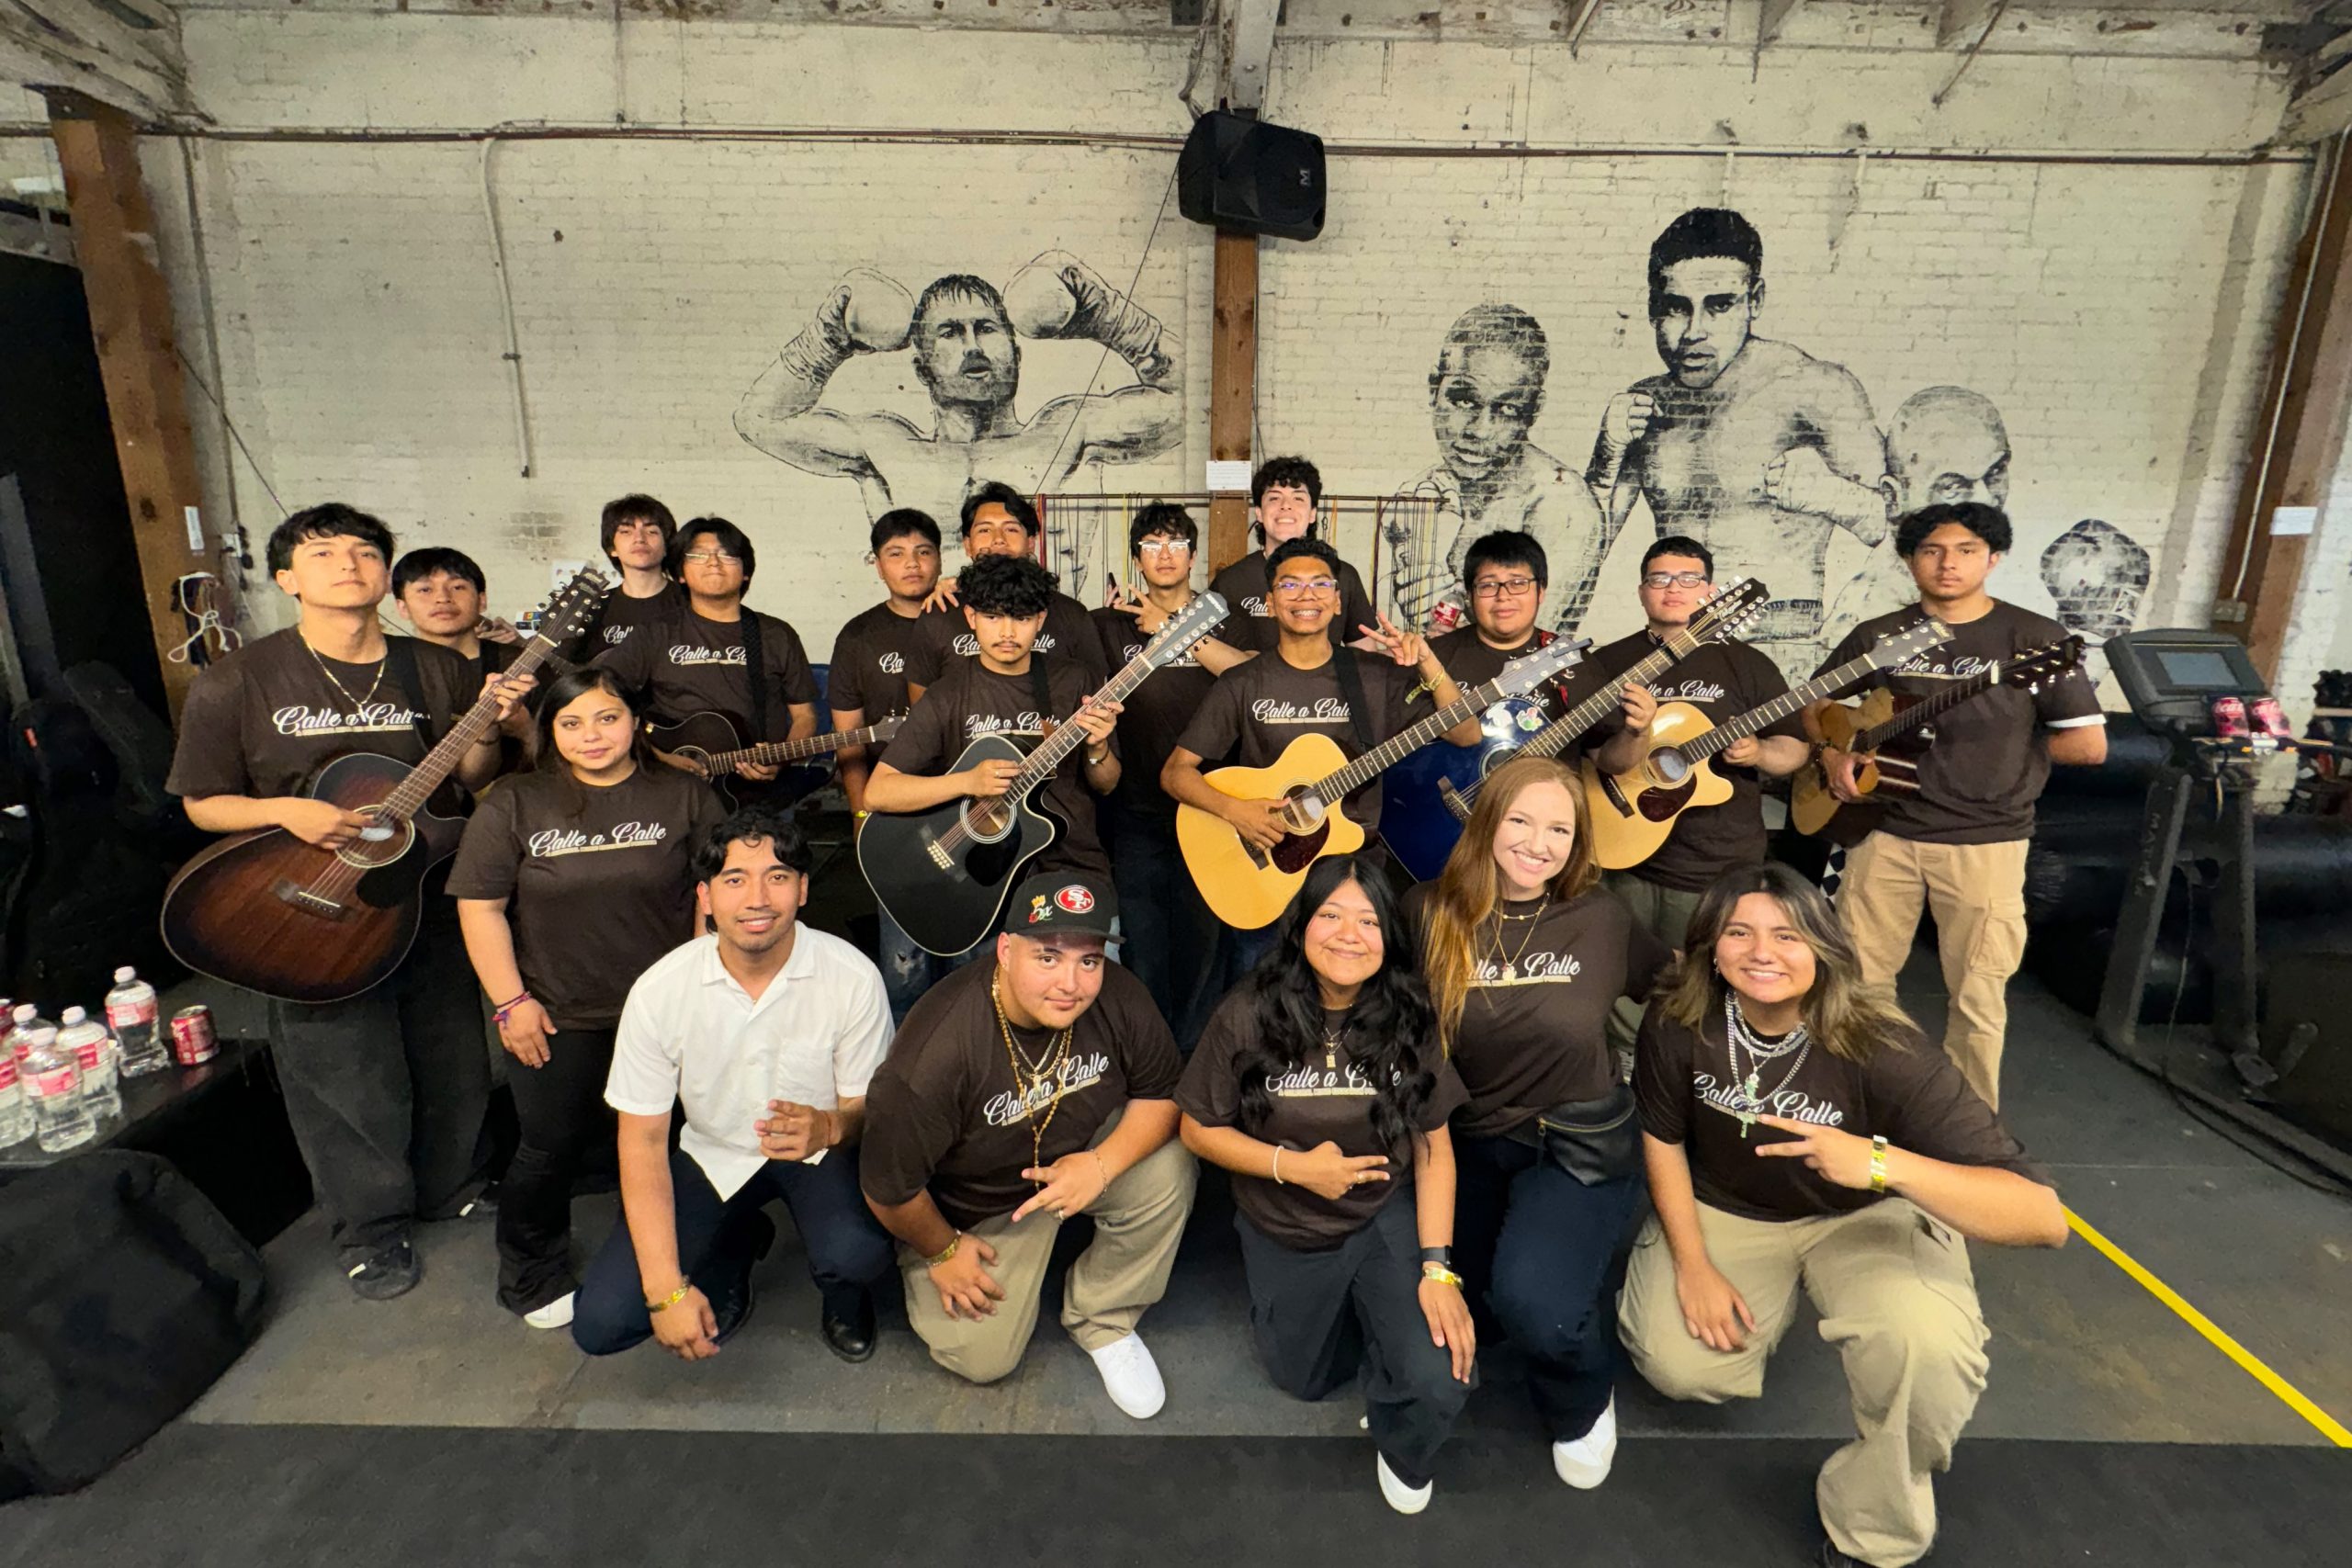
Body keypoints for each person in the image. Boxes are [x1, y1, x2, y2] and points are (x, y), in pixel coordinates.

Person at [1622, 863, 2067, 1568]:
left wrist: (1884, 1163)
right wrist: (1694, 1263)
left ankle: (1874, 1526)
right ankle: (1776, 1307)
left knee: (1924, 1352)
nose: (1762, 951)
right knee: (1682, 1365)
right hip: (1733, 1210)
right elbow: (1663, 1137)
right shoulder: (1679, 1018)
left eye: (1788, 934)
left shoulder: (1883, 1045)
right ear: (1711, 945)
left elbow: (2043, 1215)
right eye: (1739, 931)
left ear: (1825, 946)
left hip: (1864, 1215)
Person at [166, 503, 531, 1299]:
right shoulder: (240, 678)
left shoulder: (431, 666)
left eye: (365, 551)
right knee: (343, 1069)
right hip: (308, 905)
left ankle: (453, 1184)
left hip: (421, 884)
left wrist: (489, 726)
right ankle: (370, 1227)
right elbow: (201, 802)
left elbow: (470, 780)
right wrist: (283, 811)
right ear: (289, 578)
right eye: (323, 552)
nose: (349, 563)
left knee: (449, 1046)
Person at [1179, 856, 1474, 1514]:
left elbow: (1434, 1146)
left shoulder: (1408, 1014)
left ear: (1388, 937)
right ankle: (1371, 1329)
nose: (1349, 933)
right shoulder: (1249, 1010)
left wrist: (1438, 1269)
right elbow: (1197, 1127)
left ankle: (1399, 1411)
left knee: (1440, 1376)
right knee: (1301, 1380)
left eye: (1369, 919)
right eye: (1330, 915)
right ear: (1301, 926)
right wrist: (1296, 1166)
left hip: (1381, 1215)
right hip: (1283, 1223)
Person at [1408, 755, 1670, 1490]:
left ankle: (1583, 1395)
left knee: (1538, 1309)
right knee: (1450, 1309)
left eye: (1559, 827)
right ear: (1486, 821)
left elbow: (1680, 987)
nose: (1538, 842)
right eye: (1521, 819)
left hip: (1576, 1144)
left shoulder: (1603, 919)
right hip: (1466, 1143)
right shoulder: (1429, 912)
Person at [447, 667, 727, 1327]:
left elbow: (710, 894)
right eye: (571, 722)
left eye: (607, 717)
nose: (591, 735)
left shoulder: (685, 795)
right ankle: (531, 1273)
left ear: (637, 722)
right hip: (556, 1010)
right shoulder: (514, 802)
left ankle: (699, 1255)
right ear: (549, 729)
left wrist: (702, 988)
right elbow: (481, 908)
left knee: (688, 1139)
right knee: (548, 1145)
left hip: (665, 1010)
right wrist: (511, 1003)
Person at [860, 872, 1195, 1416]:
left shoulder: (1118, 994)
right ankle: (938, 1263)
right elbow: (888, 1189)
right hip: (978, 1209)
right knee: (981, 1358)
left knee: (1170, 1164)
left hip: (1076, 1162)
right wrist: (941, 1249)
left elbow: (1163, 1096)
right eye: (1048, 958)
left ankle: (1103, 1315)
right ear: (1006, 951)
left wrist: (1102, 1166)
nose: (1071, 982)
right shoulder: (937, 1052)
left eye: (1088, 960)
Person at [571, 806, 898, 1362]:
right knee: (604, 1323)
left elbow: (868, 1107)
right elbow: (643, 1141)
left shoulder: (851, 975)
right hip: (713, 1153)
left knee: (859, 1254)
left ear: (803, 890)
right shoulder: (661, 990)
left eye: (777, 877)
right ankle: (734, 1243)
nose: (757, 899)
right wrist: (664, 1290)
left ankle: (843, 1296)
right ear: (705, 897)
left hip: (817, 1154)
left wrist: (832, 1125)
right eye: (734, 879)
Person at [1810, 502, 2106, 1110]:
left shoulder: (2034, 639)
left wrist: (2004, 750)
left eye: (1966, 550)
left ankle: (1968, 1126)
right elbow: (1813, 702)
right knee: (1860, 983)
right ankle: (1870, 1098)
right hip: (1883, 831)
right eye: (1931, 551)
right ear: (1910, 560)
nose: (1947, 563)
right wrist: (1832, 753)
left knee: (1977, 994)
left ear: (1993, 559)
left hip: (1986, 841)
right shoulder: (1881, 635)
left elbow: (2088, 743)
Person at [734, 258, 1180, 593]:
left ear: (1015, 352)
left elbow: (1190, 402)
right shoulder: (886, 446)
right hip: (933, 652)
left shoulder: (1069, 432)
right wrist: (829, 338)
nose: (972, 346)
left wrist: (1105, 316)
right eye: (949, 333)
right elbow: (760, 420)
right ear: (922, 368)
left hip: (1043, 643)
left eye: (985, 329)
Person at [1589, 208, 1887, 673]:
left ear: (1755, 300)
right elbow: (1585, 552)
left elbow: (1901, 535)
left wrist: (1835, 497)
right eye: (1676, 307)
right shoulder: (1643, 404)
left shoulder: (1814, 388)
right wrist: (1606, 458)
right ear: (1652, 308)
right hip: (1675, 649)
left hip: (1783, 649)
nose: (1694, 332)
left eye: (1720, 304)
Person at [1564, 535, 1811, 1061]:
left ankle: (1698, 1079)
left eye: (1688, 578)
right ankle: (1628, 1075)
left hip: (1717, 859)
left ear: (1712, 591)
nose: (1673, 589)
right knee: (1620, 978)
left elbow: (1794, 748)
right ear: (1641, 592)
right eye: (1659, 579)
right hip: (1625, 850)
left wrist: (1760, 753)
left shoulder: (1748, 664)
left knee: (1706, 984)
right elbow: (1601, 761)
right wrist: (1637, 733)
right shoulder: (1611, 664)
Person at [865, 552, 1123, 1001]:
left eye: (1021, 618)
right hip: (987, 883)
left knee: (1098, 995)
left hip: (1071, 863)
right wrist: (966, 783)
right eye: (993, 617)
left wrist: (1099, 748)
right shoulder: (949, 693)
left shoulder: (1073, 680)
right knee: (987, 1004)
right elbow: (879, 791)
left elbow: (1106, 785)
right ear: (970, 618)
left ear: (1041, 619)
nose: (1007, 632)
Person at [1091, 502, 1248, 1043]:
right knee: (1144, 947)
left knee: (1205, 947)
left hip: (1213, 811)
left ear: (1194, 556)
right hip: (1137, 815)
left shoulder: (1225, 616)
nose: (1165, 554)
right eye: (1152, 544)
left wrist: (1174, 631)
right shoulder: (1107, 627)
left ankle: (1196, 1065)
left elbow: (1255, 680)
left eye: (1176, 544)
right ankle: (1150, 1065)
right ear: (1137, 558)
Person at [1387, 307, 1615, 636]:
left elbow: (1523, 646)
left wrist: (1434, 601)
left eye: (1507, 409)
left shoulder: (1562, 505)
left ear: (1533, 412)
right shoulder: (1427, 489)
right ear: (1433, 389)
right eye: (1464, 401)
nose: (1479, 431)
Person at [596, 515, 820, 792]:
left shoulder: (776, 634)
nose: (713, 562)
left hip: (756, 790)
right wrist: (656, 757)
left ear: (746, 571)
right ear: (680, 573)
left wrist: (783, 758)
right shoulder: (655, 633)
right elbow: (600, 700)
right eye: (698, 555)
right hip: (669, 787)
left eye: (727, 554)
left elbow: (805, 716)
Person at [830, 507, 946, 1017]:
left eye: (923, 552)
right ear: (878, 565)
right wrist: (861, 817)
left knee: (974, 956)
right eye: (896, 554)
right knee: (904, 968)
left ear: (941, 559)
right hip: (893, 815)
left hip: (970, 802)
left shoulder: (969, 621)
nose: (912, 565)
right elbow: (848, 742)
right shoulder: (858, 637)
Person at [903, 483, 1110, 696]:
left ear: (1031, 542)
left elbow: (1095, 698)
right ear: (967, 545)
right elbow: (921, 709)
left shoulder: (1072, 614)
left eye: (1011, 529)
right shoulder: (939, 614)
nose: (998, 539)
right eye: (984, 530)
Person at [1206, 457, 1379, 653]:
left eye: (1298, 498)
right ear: (1259, 513)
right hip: (1253, 683)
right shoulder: (1230, 581)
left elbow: (1365, 656)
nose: (1286, 505)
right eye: (1274, 498)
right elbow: (1212, 653)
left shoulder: (1343, 575)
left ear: (1312, 513)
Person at [390, 545, 536, 773]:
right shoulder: (388, 667)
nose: (442, 598)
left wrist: (526, 728)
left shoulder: (522, 664)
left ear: (482, 600)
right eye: (425, 590)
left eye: (457, 587)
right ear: (402, 607)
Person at [1422, 528, 1571, 716]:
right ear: (1469, 595)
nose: (1503, 596)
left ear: (1540, 591)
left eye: (1517, 583)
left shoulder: (1571, 662)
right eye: (1487, 586)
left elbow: (1603, 744)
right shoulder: (1434, 657)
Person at [580, 493, 687, 652]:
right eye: (626, 532)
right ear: (612, 548)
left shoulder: (691, 601)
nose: (639, 538)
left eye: (651, 531)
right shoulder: (594, 608)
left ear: (666, 547)